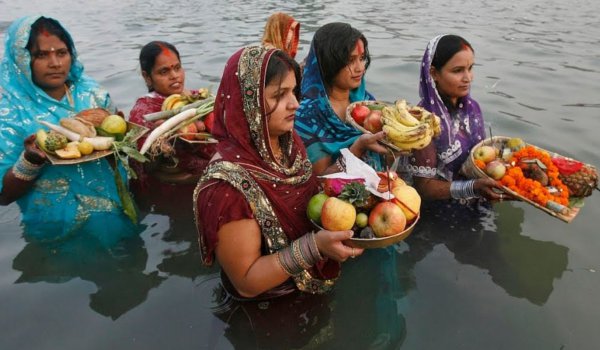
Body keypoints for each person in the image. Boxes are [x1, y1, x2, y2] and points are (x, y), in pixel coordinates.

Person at [195, 46, 362, 300]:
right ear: (248, 103)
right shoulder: (226, 187)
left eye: (294, 91)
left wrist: (357, 152)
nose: (295, 104)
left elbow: (310, 195)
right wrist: (315, 246)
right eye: (278, 95)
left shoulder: (286, 142)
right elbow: (246, 282)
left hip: (310, 290)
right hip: (268, 310)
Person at [0, 16, 138, 246]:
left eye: (61, 53)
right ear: (22, 61)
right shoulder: (10, 112)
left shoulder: (93, 95)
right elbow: (4, 196)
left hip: (117, 214)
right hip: (55, 231)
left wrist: (123, 140)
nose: (55, 63)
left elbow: (122, 156)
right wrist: (30, 160)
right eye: (41, 55)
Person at [405, 34, 504, 202]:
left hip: (479, 199)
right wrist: (471, 188)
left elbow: (481, 160)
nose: (468, 78)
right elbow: (423, 188)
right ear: (434, 73)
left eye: (470, 68)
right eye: (458, 71)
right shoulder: (423, 121)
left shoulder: (472, 109)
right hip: (440, 212)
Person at [294, 22, 388, 175]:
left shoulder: (367, 102)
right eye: (350, 60)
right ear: (329, 63)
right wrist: (357, 148)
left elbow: (382, 162)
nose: (360, 68)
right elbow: (319, 182)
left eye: (362, 58)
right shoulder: (307, 116)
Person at [128, 41, 216, 188]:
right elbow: (145, 166)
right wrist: (162, 140)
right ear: (147, 77)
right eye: (164, 72)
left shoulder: (198, 98)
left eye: (177, 68)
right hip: (170, 192)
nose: (175, 76)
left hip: (206, 180)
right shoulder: (143, 112)